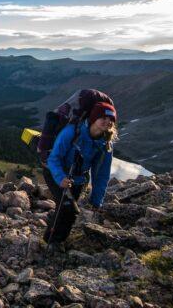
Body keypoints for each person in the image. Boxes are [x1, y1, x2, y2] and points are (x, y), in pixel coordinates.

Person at [43, 101, 118, 246]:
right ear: (93, 118)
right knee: (68, 208)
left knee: (68, 211)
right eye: (103, 118)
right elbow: (54, 158)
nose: (107, 122)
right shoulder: (71, 132)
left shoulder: (105, 143)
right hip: (55, 172)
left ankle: (56, 241)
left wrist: (96, 201)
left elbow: (101, 174)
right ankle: (51, 243)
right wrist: (61, 178)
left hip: (78, 179)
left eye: (111, 120)